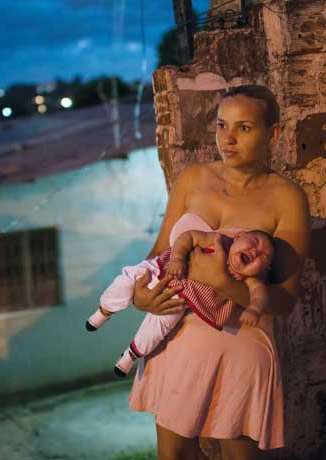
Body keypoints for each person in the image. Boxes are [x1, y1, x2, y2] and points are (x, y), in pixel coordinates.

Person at [128, 85, 311, 460]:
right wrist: (139, 295)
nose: (228, 139)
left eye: (243, 128)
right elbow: (158, 254)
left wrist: (222, 282)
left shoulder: (286, 198)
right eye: (222, 125)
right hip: (177, 338)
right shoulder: (192, 180)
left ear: (272, 134)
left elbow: (285, 300)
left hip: (240, 343)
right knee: (174, 456)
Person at [85, 227, 275, 377]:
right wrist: (177, 258)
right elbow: (189, 237)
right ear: (240, 236)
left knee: (156, 331)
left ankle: (129, 356)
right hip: (159, 269)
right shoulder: (218, 241)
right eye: (255, 242)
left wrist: (254, 309)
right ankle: (103, 311)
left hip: (179, 298)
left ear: (263, 270)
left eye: (263, 257)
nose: (255, 252)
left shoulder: (247, 278)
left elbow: (260, 294)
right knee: (125, 283)